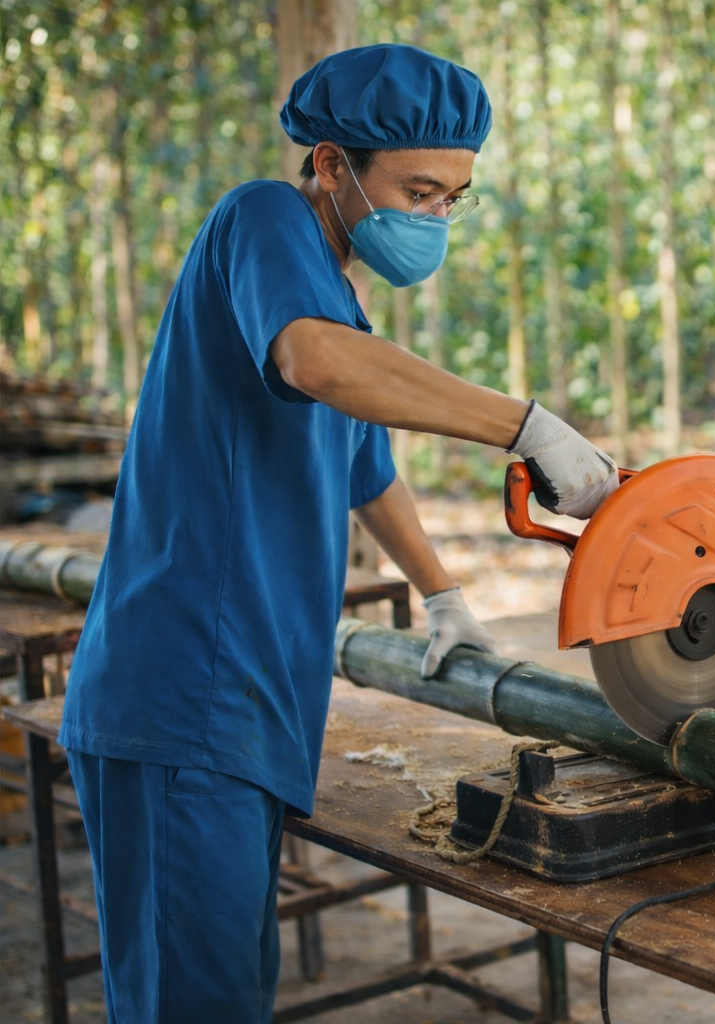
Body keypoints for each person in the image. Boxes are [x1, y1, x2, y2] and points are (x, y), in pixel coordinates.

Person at [56, 44, 618, 1022]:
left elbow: (368, 472)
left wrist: (444, 594)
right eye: (418, 188)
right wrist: (527, 426)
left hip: (251, 697)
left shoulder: (335, 295)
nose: (435, 216)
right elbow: (318, 364)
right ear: (330, 165)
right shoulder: (263, 222)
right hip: (186, 689)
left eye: (453, 197)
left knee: (225, 990)